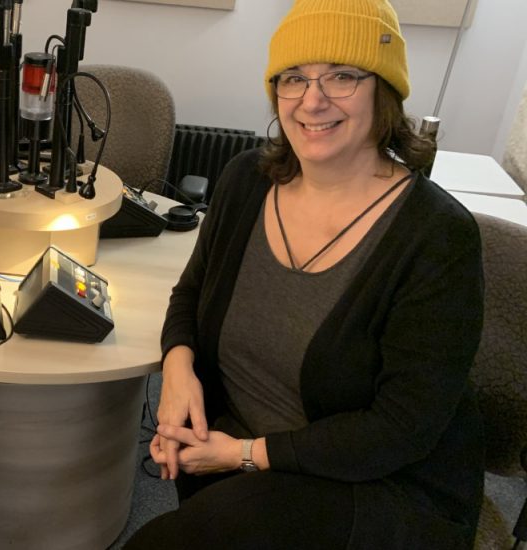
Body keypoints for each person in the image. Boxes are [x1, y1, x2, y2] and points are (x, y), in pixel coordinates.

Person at [127, 1, 484, 548]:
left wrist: (245, 455)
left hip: (374, 483)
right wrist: (177, 373)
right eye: (293, 78)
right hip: (243, 464)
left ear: (383, 90)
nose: (312, 100)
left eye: (342, 76)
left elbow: (401, 428)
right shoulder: (246, 178)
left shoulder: (437, 236)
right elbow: (192, 290)